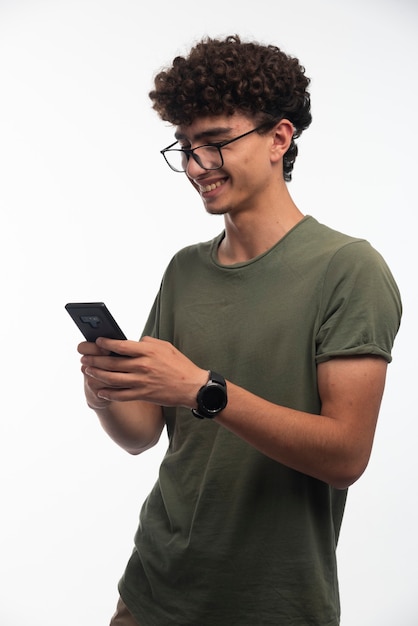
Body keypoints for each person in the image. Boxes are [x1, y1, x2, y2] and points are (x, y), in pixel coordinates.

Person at [77, 35, 402, 626]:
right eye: (186, 147)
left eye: (216, 142)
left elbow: (346, 454)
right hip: (151, 594)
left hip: (271, 606)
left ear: (280, 138)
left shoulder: (349, 269)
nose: (198, 165)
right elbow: (140, 435)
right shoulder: (185, 269)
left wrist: (203, 389)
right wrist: (103, 391)